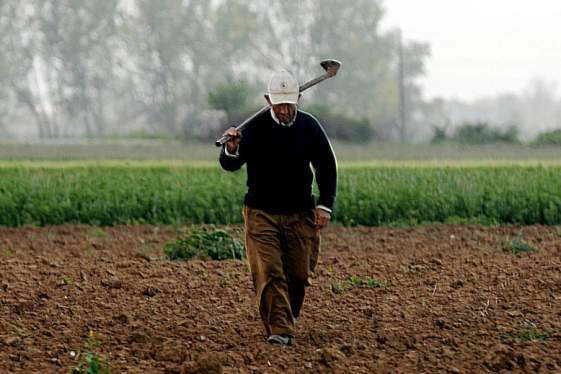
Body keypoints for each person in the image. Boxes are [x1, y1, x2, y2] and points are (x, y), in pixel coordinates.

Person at [218, 69, 337, 346]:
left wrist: (325, 205)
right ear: (268, 100)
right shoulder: (254, 129)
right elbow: (230, 164)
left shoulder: (309, 127)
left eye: (290, 104)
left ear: (298, 99)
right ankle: (280, 330)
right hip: (261, 213)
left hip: (300, 213)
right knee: (270, 271)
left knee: (297, 275)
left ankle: (285, 316)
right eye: (279, 104)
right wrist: (232, 148)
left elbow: (326, 167)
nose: (285, 110)